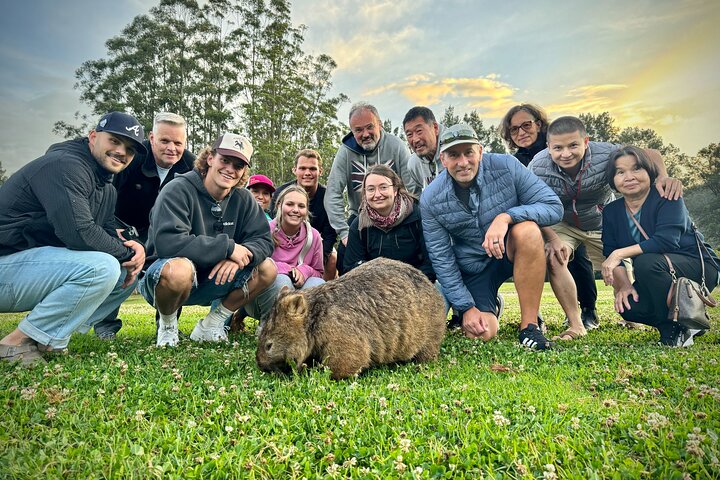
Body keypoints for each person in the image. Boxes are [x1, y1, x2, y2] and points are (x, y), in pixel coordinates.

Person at [0, 112, 147, 364]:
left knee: (127, 274)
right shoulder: (65, 166)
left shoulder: (106, 185)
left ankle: (47, 339)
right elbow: (79, 233)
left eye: (130, 149)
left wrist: (136, 250)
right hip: (7, 265)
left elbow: (108, 228)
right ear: (93, 137)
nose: (122, 151)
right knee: (102, 267)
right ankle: (16, 343)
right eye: (114, 141)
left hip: (27, 267)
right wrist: (126, 253)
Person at [528, 116, 682, 341]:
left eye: (573, 145)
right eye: (558, 148)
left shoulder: (607, 153)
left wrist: (663, 176)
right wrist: (551, 238)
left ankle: (631, 317)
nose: (566, 153)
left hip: (601, 218)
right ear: (549, 147)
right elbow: (532, 204)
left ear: (586, 142)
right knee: (555, 258)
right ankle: (575, 324)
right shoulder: (537, 166)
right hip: (561, 221)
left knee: (617, 263)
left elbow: (650, 153)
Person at [421, 124, 563, 350]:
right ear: (443, 159)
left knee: (527, 230)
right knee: (482, 333)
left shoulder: (507, 165)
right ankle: (491, 305)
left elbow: (553, 207)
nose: (463, 162)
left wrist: (506, 217)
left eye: (468, 152)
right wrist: (466, 307)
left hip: (511, 250)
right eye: (453, 155)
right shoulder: (430, 198)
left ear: (480, 151)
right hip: (475, 266)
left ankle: (530, 327)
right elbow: (442, 259)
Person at [138, 132, 277, 347]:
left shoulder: (243, 199)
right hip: (165, 280)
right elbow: (169, 242)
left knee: (267, 268)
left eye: (238, 165)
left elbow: (264, 241)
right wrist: (228, 248)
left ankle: (212, 324)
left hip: (214, 279)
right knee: (179, 269)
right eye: (225, 160)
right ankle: (167, 326)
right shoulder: (177, 189)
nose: (230, 169)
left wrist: (239, 256)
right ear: (210, 158)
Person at [601, 146, 719, 347]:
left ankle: (672, 330)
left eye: (636, 169)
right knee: (628, 306)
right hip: (657, 270)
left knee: (646, 262)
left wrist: (618, 253)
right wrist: (625, 286)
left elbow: (667, 241)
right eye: (620, 172)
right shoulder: (611, 211)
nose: (629, 177)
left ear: (649, 172)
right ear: (613, 179)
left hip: (698, 265)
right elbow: (610, 249)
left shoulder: (667, 196)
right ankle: (690, 320)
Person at [94, 112, 195, 340]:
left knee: (175, 265)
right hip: (124, 228)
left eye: (178, 143)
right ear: (151, 138)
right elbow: (106, 193)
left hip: (164, 233)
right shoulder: (132, 157)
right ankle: (105, 326)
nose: (172, 148)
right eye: (164, 141)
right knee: (119, 267)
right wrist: (111, 230)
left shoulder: (191, 167)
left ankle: (167, 325)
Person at [500, 104, 599, 330]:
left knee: (576, 256)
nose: (521, 132)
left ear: (539, 124)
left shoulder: (559, 148)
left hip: (571, 215)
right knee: (530, 254)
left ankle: (588, 310)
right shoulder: (516, 162)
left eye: (526, 125)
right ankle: (535, 316)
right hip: (538, 218)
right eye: (514, 130)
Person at [325, 102, 419, 275]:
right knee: (345, 259)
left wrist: (410, 216)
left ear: (380, 124)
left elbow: (412, 187)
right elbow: (332, 193)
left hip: (399, 216)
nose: (365, 134)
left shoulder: (396, 145)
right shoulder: (345, 152)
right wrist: (344, 232)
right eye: (358, 130)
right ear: (352, 131)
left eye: (370, 127)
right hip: (361, 217)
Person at [344, 164, 435, 282]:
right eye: (371, 189)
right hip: (376, 289)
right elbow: (351, 267)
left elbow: (431, 263)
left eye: (383, 187)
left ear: (395, 190)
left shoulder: (418, 217)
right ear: (365, 193)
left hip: (416, 285)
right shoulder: (359, 226)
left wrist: (408, 286)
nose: (377, 195)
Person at [272, 149, 338, 280]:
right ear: (294, 170)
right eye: (302, 168)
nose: (307, 173)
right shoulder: (280, 194)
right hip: (284, 246)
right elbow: (274, 226)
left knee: (332, 258)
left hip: (315, 245)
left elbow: (330, 235)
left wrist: (318, 259)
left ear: (320, 171)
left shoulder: (328, 198)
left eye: (312, 169)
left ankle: (325, 292)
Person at [268, 186, 325, 292]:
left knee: (318, 284)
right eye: (290, 204)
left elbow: (319, 274)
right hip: (268, 290)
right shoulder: (265, 231)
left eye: (301, 206)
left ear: (307, 210)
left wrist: (305, 270)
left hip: (301, 287)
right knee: (281, 281)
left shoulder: (314, 236)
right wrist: (288, 270)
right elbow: (256, 267)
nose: (295, 210)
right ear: (279, 205)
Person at [403, 106, 446, 189]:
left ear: (435, 128)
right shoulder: (414, 165)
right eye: (409, 134)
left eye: (419, 131)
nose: (415, 140)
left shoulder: (455, 151)